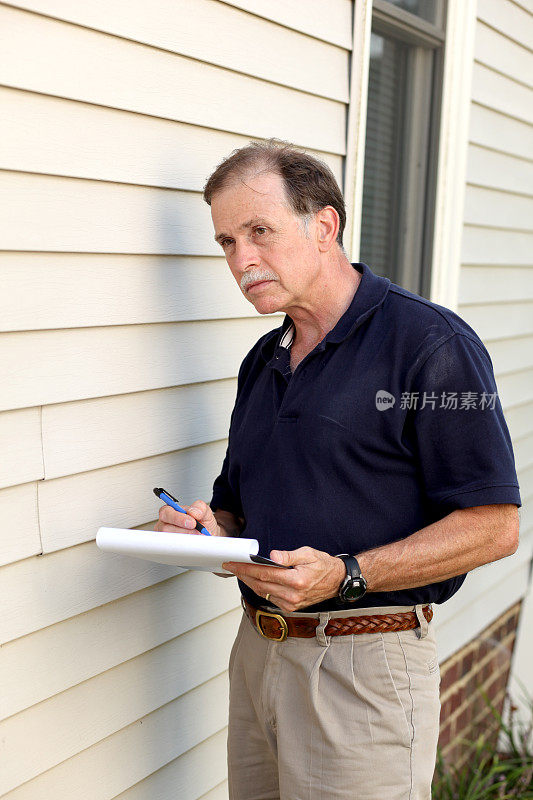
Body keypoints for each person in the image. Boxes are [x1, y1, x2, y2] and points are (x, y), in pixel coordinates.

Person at [155, 140, 521, 799]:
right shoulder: (262, 362)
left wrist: (347, 575)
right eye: (226, 243)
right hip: (257, 654)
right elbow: (238, 505)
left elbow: (493, 526)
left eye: (258, 232)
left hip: (364, 665)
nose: (242, 260)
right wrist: (210, 528)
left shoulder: (430, 346)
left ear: (323, 226)